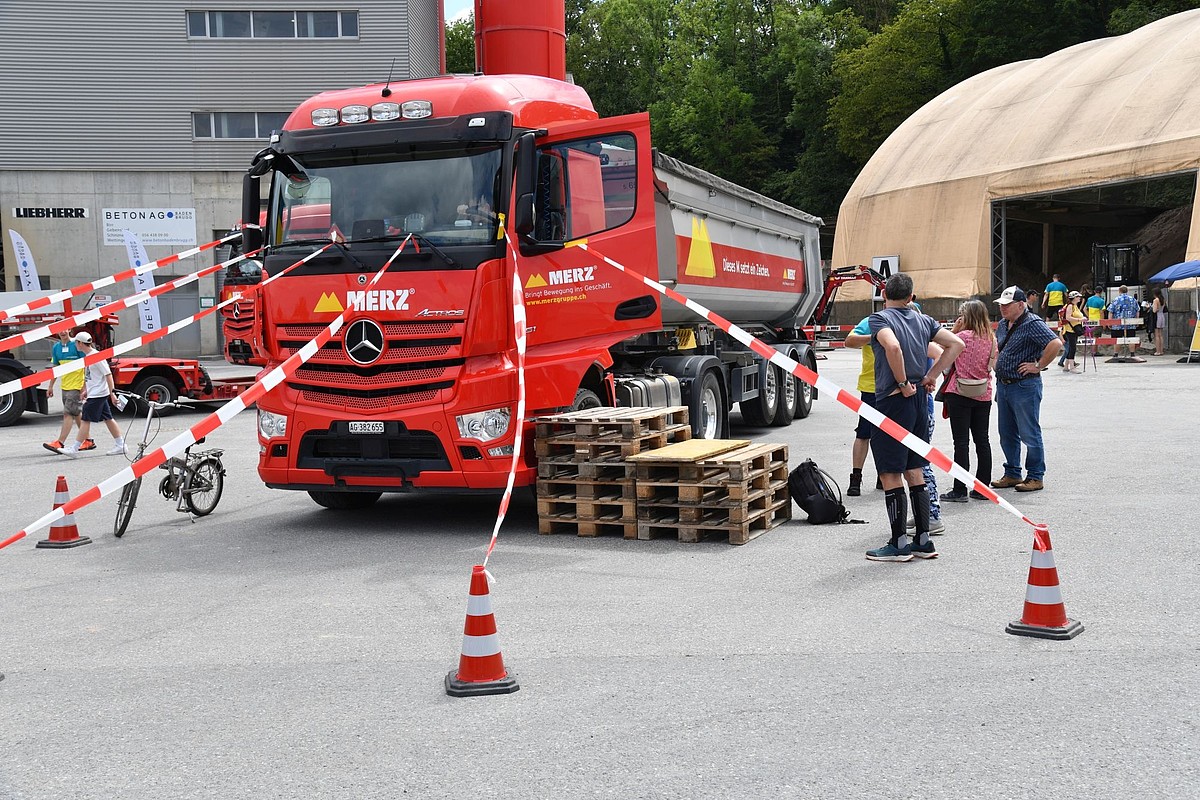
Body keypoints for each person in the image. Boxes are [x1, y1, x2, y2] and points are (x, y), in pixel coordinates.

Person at [863, 273, 964, 563]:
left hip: (894, 400)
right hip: (921, 400)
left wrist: (903, 382)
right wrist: (931, 376)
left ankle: (898, 543)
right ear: (911, 297)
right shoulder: (924, 320)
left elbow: (892, 347)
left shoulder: (880, 319)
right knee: (915, 467)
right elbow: (956, 344)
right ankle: (923, 539)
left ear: (885, 295)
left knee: (890, 472)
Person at [990, 287, 1062, 493]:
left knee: (1029, 432)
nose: (1003, 308)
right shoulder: (1004, 324)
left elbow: (1055, 343)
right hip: (1005, 384)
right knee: (1007, 432)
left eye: (1007, 304)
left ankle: (1035, 475)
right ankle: (1012, 472)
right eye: (1001, 305)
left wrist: (1038, 365)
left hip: (1023, 385)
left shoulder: (1032, 323)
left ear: (1021, 305)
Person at [939, 300, 996, 502]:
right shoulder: (991, 338)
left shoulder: (960, 338)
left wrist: (954, 330)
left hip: (959, 393)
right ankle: (983, 487)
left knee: (961, 443)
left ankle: (959, 489)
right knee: (982, 440)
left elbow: (943, 356)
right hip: (983, 393)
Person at [57, 332, 126, 458]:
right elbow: (93, 377)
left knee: (85, 420)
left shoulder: (96, 356)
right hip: (95, 392)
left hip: (98, 394)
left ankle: (74, 448)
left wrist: (112, 394)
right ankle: (121, 445)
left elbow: (108, 374)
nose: (75, 345)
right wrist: (86, 390)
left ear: (80, 343)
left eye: (76, 342)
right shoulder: (88, 356)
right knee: (108, 418)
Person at [843, 317, 880, 497]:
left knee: (890, 435)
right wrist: (872, 338)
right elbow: (849, 341)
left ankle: (885, 473)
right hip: (871, 388)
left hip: (897, 388)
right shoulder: (871, 322)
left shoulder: (912, 314)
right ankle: (856, 477)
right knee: (864, 433)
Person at [42, 329, 95, 454]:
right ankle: (88, 440)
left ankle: (60, 442)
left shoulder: (76, 345)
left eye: (64, 328)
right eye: (58, 328)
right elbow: (55, 368)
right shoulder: (56, 347)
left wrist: (84, 386)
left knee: (68, 414)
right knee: (76, 414)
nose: (62, 331)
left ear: (69, 329)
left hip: (76, 386)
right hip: (65, 385)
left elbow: (86, 365)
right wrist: (50, 386)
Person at [1106, 284, 1144, 361]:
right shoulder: (1133, 299)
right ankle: (1132, 354)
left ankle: (1116, 354)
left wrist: (1110, 322)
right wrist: (1136, 321)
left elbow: (1110, 312)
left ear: (1119, 291)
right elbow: (1137, 311)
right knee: (1131, 338)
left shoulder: (1115, 300)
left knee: (1117, 339)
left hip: (1117, 323)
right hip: (1130, 323)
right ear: (1127, 291)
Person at [1059, 291, 1086, 373]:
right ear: (1074, 298)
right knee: (1072, 348)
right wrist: (1080, 319)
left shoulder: (1074, 306)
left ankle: (1066, 366)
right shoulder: (1070, 306)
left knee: (1071, 347)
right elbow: (1068, 317)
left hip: (1073, 329)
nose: (1079, 298)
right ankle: (1072, 367)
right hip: (1070, 330)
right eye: (1078, 297)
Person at [1152, 289, 1167, 355]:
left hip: (1157, 317)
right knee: (1161, 335)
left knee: (1157, 335)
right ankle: (1161, 350)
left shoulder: (1155, 300)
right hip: (1162, 316)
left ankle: (1157, 351)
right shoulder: (1163, 300)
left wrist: (1150, 307)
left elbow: (1154, 310)